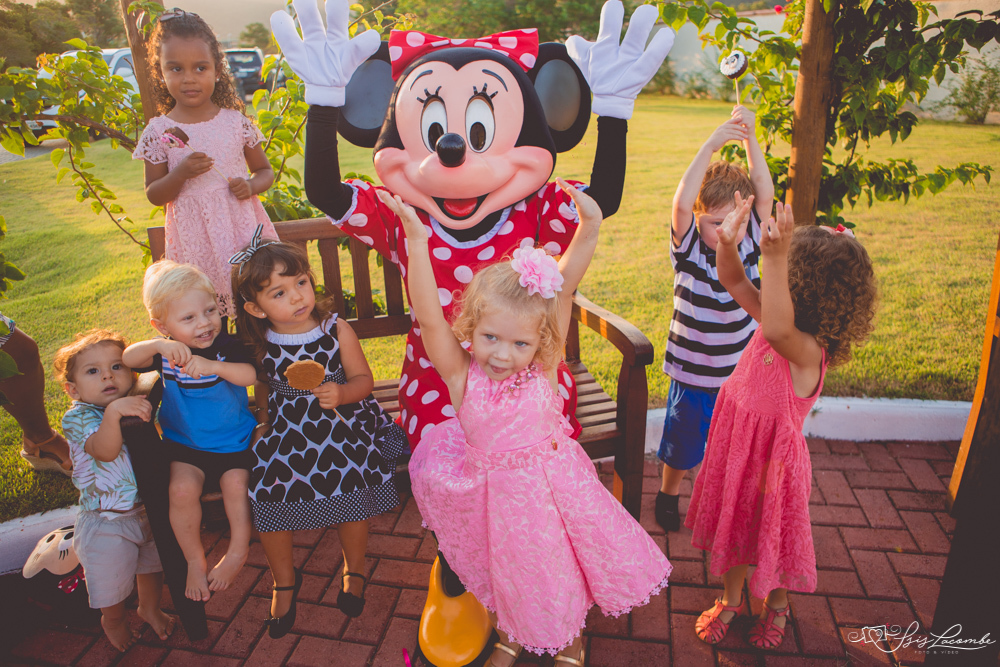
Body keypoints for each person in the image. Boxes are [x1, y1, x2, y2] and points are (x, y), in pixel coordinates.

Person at [386, 181, 672, 666]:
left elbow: (565, 285)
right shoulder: (460, 375)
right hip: (491, 497)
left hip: (551, 493)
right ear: (471, 328)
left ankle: (570, 640)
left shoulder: (544, 364)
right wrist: (417, 240)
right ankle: (512, 634)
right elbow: (430, 319)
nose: (502, 354)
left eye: (520, 343)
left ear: (540, 342)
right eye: (490, 338)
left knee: (556, 567)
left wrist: (589, 227)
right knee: (505, 570)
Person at [686, 197, 877, 649]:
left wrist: (772, 256)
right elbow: (734, 280)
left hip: (774, 464)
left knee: (769, 535)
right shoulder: (773, 318)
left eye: (785, 266)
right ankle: (732, 598)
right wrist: (727, 244)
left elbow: (775, 330)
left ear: (799, 282)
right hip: (740, 449)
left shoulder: (805, 350)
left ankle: (776, 603)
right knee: (736, 527)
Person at [231, 231, 408, 639]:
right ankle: (284, 581)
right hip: (287, 430)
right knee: (267, 489)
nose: (297, 296)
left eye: (301, 282)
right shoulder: (262, 342)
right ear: (255, 308)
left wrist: (342, 392)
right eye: (279, 293)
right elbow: (264, 386)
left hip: (342, 424)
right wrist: (263, 420)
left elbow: (363, 380)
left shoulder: (334, 329)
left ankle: (354, 569)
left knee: (350, 482)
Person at [656, 105, 774, 532]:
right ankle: (668, 493)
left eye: (736, 221)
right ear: (699, 220)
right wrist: (710, 145)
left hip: (738, 377)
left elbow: (764, 193)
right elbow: (681, 202)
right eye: (716, 222)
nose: (727, 230)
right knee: (682, 445)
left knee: (732, 447)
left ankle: (724, 503)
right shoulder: (689, 250)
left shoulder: (750, 242)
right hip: (692, 374)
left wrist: (751, 139)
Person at [123, 261, 257, 602]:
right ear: (162, 325)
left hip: (233, 441)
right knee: (181, 492)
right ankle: (195, 559)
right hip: (185, 446)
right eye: (188, 318)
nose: (204, 323)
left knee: (236, 486)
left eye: (210, 311)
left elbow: (250, 375)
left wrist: (214, 366)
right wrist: (157, 346)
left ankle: (238, 550)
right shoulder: (167, 351)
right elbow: (129, 358)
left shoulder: (225, 345)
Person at [132, 8, 276, 320]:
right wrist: (180, 173)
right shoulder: (159, 131)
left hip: (241, 230)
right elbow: (154, 193)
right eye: (175, 68)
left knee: (257, 303)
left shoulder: (235, 122)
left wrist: (251, 185)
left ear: (217, 70)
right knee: (206, 311)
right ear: (160, 72)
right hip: (195, 240)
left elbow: (265, 171)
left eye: (200, 68)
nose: (189, 78)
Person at [54, 329, 176, 652]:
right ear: (73, 389)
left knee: (152, 566)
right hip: (106, 521)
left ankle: (149, 608)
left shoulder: (130, 402)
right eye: (93, 371)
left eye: (116, 366)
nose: (107, 375)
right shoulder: (77, 418)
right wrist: (115, 412)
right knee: (112, 583)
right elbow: (105, 451)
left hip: (146, 509)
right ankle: (113, 619)